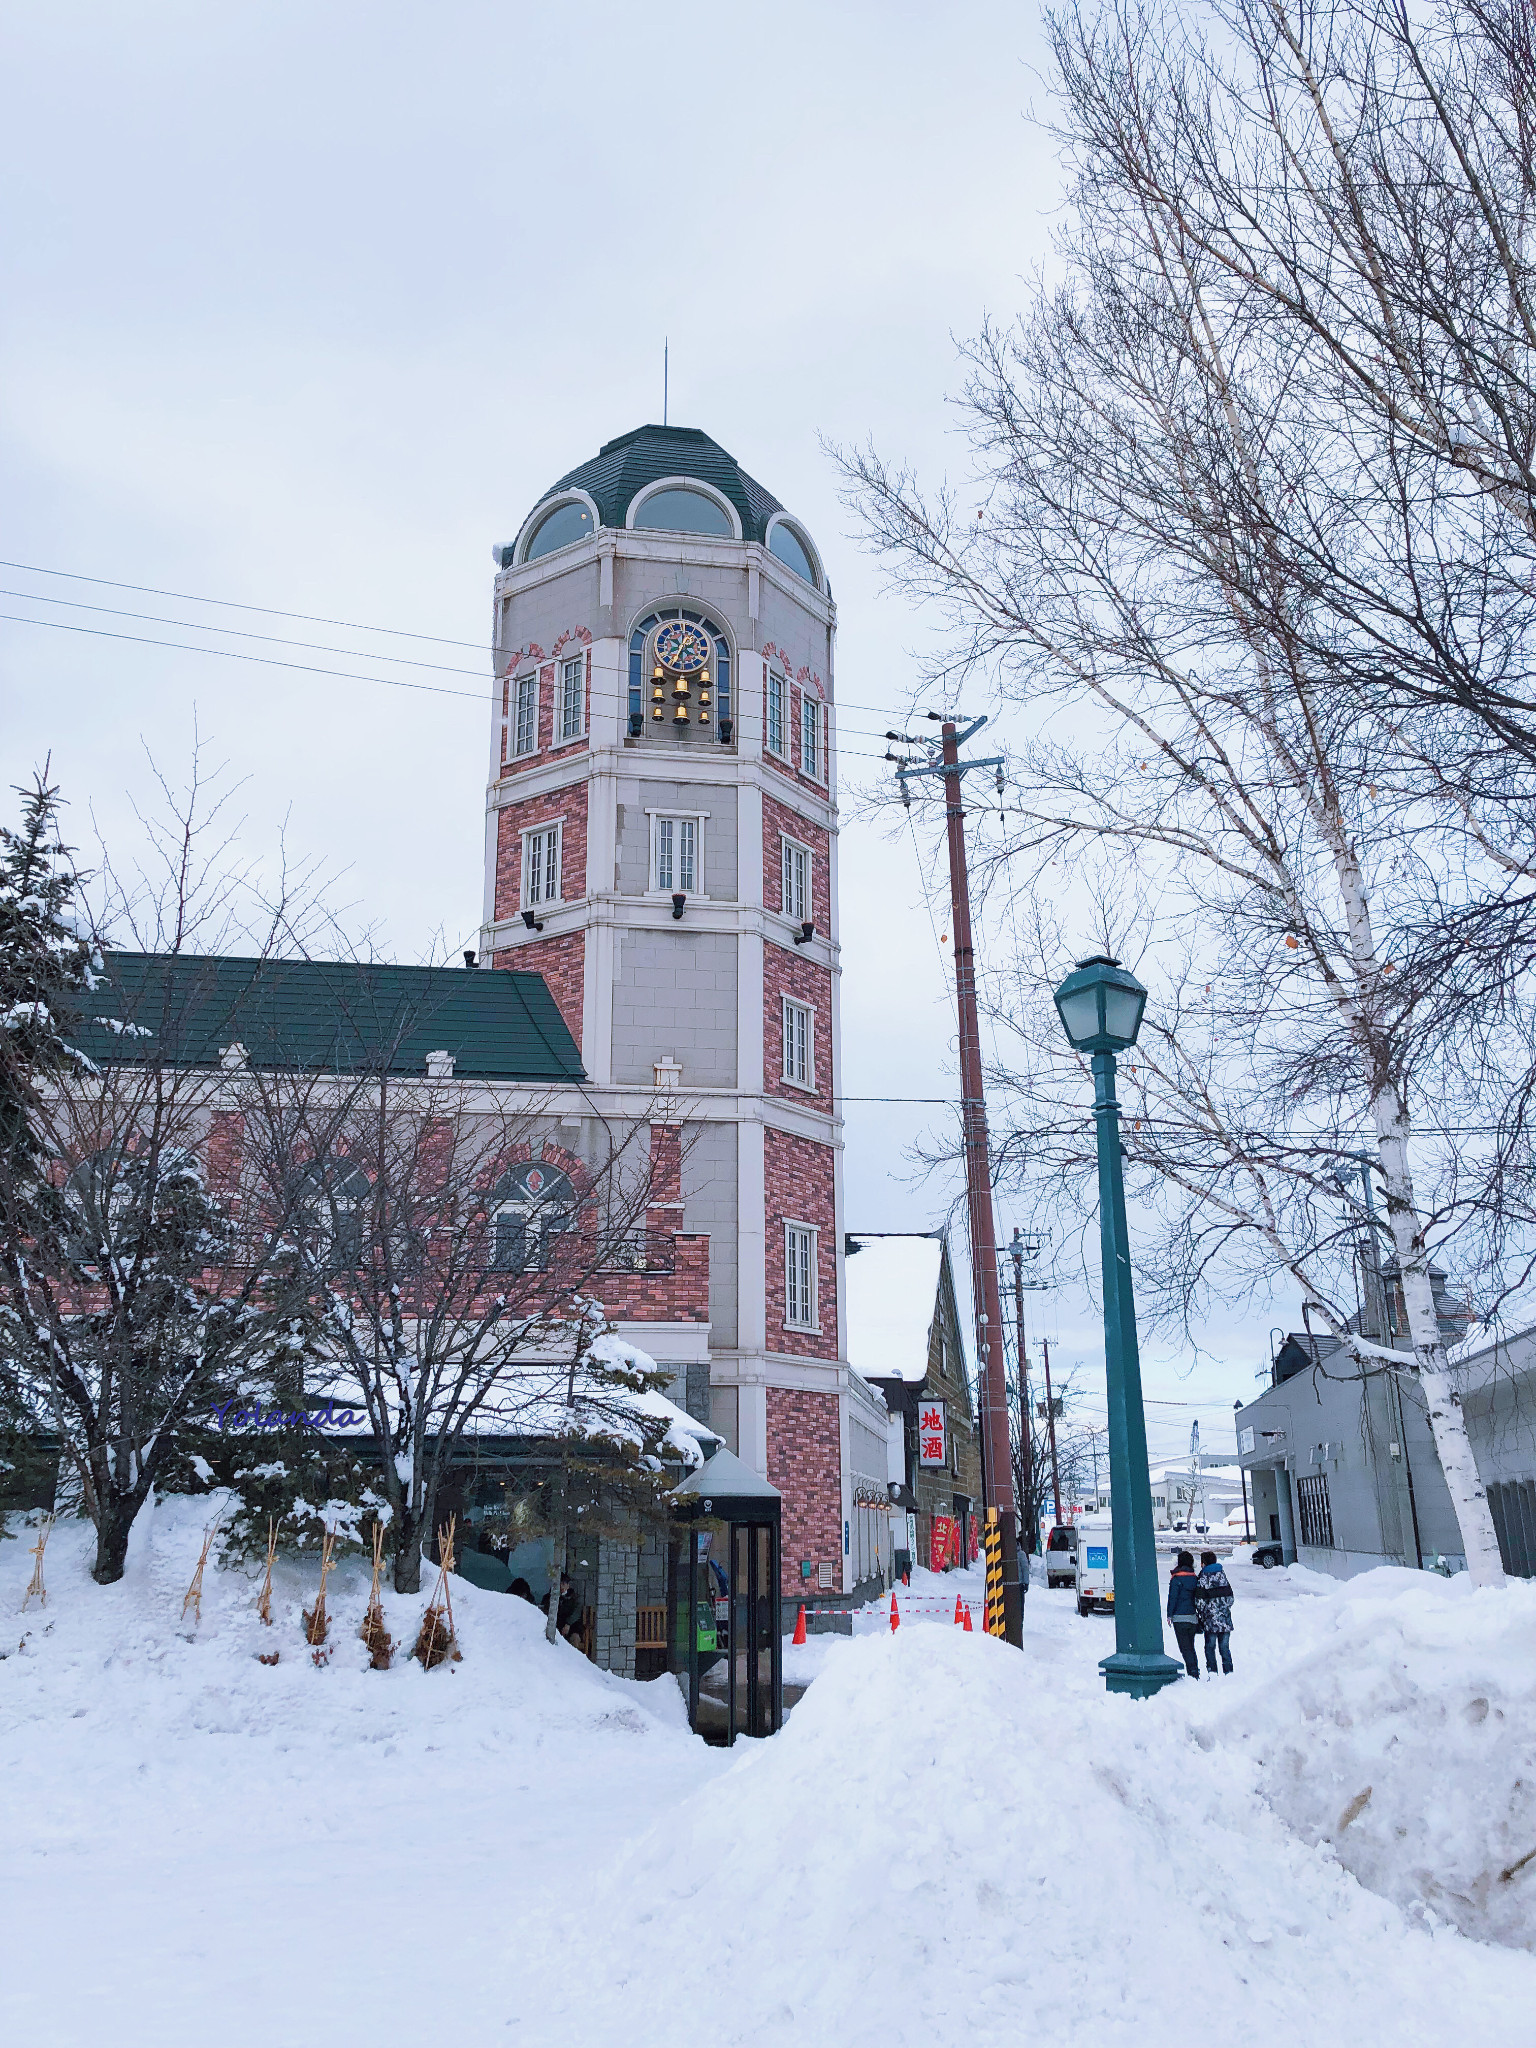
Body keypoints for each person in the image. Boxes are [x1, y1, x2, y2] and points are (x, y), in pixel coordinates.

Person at [1195, 1549, 1235, 1674]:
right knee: (1224, 1648)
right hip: (1225, 1619)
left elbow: (1199, 1602)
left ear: (1203, 1563)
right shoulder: (1222, 1576)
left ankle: (1212, 1672)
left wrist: (1203, 1612)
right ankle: (1228, 1671)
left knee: (1210, 1648)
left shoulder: (1203, 1578)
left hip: (1210, 1621)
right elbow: (1230, 1599)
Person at [1167, 1549, 1201, 1677]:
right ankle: (1195, 1670)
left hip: (1179, 1618)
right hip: (1192, 1617)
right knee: (1191, 1647)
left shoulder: (1176, 1579)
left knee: (1185, 1648)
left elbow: (1173, 1598)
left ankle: (1193, 1673)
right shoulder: (1195, 1578)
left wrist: (1169, 1614)